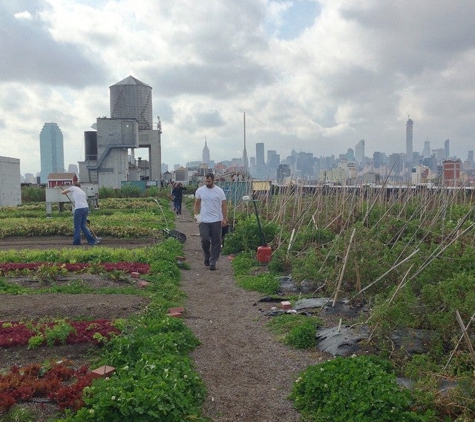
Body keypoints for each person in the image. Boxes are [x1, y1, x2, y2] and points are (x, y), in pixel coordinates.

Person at [194, 173, 227, 271]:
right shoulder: (200, 190)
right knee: (204, 238)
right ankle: (207, 256)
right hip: (204, 219)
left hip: (216, 219)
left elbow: (224, 205)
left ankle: (213, 261)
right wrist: (195, 214)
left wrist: (224, 218)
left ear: (213, 180)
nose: (207, 183)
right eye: (206, 181)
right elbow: (197, 203)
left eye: (209, 181)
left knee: (217, 241)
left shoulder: (219, 191)